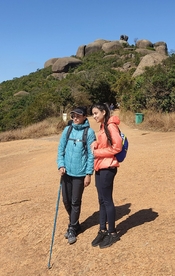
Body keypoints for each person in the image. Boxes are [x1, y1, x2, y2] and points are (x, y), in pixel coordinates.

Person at [57, 106, 96, 244]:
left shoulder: (89, 133)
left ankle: (72, 228)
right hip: (66, 172)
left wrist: (88, 174)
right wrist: (61, 164)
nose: (75, 118)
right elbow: (61, 149)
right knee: (66, 201)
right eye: (73, 115)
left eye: (78, 116)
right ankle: (76, 223)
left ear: (85, 116)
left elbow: (92, 155)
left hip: (79, 174)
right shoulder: (67, 130)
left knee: (75, 201)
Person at [90, 103, 123, 248]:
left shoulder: (111, 126)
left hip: (108, 166)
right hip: (100, 166)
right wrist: (96, 144)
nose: (94, 116)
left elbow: (117, 146)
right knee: (101, 200)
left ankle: (113, 233)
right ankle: (102, 230)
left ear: (104, 112)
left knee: (107, 200)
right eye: (93, 113)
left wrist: (97, 152)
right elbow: (105, 143)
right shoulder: (103, 126)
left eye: (96, 113)